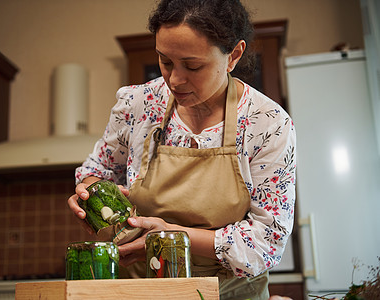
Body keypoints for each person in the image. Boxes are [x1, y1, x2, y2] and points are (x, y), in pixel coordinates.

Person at [68, 0, 296, 299]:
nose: (174, 79)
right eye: (165, 61)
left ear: (233, 55)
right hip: (140, 291)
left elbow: (267, 241)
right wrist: (89, 195)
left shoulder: (266, 124)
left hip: (227, 293)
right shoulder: (139, 105)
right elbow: (96, 172)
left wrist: (172, 236)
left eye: (192, 66)